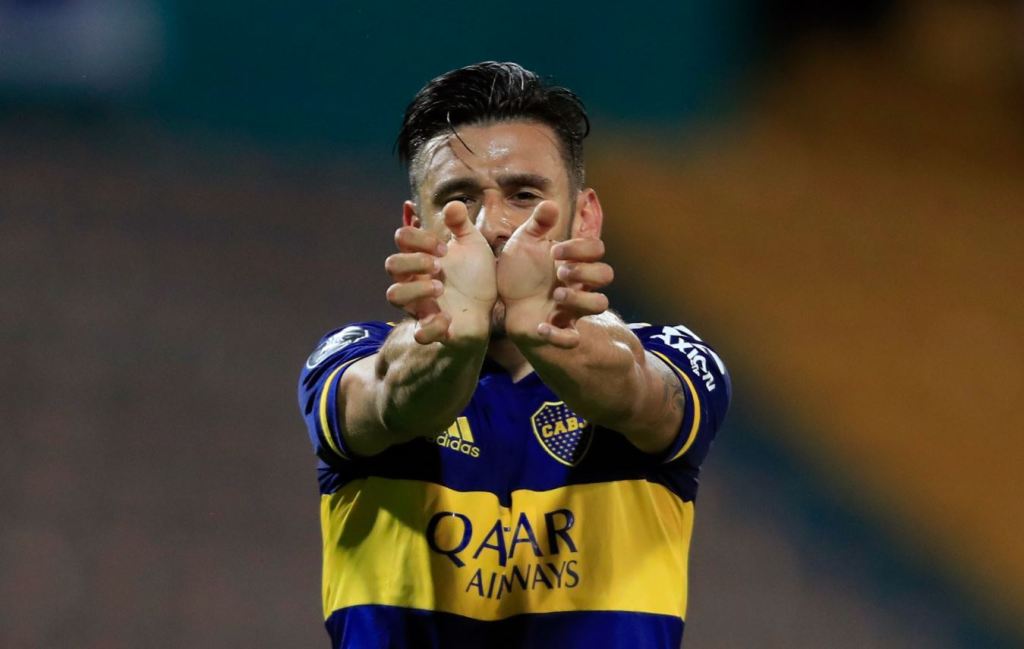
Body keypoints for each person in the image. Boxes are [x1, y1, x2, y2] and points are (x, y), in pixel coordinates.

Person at [298, 61, 730, 649]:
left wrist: (545, 328)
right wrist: (456, 337)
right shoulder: (352, 358)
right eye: (458, 200)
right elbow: (391, 397)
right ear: (416, 225)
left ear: (584, 217)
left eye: (524, 195)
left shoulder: (671, 356)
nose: (491, 225)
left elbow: (637, 390)